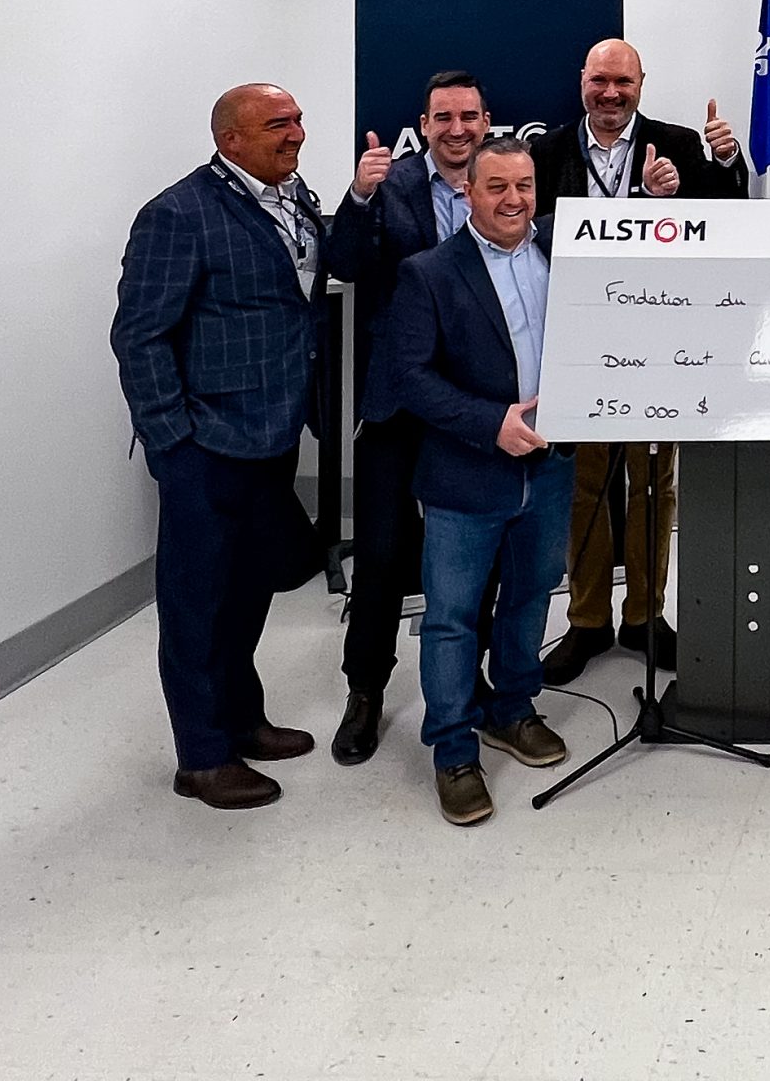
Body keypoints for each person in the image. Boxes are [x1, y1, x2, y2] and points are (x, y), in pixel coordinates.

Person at [110, 84, 326, 810]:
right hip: (205, 445)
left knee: (248, 591)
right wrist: (172, 440)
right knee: (196, 605)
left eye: (297, 119)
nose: (296, 133)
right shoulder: (177, 215)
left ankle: (240, 718)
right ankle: (201, 758)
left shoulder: (292, 197)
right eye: (278, 124)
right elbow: (139, 335)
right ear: (230, 140)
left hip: (271, 437)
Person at [533, 37, 747, 685]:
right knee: (587, 485)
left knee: (654, 481)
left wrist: (719, 165)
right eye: (600, 80)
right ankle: (587, 619)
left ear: (641, 84)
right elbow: (527, 229)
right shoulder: (546, 151)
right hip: (578, 341)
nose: (610, 93)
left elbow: (727, 219)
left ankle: (645, 615)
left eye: (622, 82)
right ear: (582, 81)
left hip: (660, 344)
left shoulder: (676, 144)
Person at [374, 137, 572, 826]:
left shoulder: (561, 254)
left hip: (550, 465)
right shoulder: (428, 272)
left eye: (525, 186)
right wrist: (491, 423)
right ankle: (454, 752)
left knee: (531, 596)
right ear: (468, 193)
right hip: (466, 472)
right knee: (452, 621)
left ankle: (512, 709)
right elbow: (409, 377)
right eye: (497, 187)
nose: (514, 200)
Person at [324, 70, 491, 765]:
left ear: (486, 122)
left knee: (477, 554)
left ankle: (471, 678)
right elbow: (343, 263)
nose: (457, 129)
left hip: (476, 403)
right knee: (384, 555)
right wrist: (359, 196)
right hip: (397, 401)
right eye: (443, 117)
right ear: (423, 126)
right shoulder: (386, 186)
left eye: (469, 117)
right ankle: (365, 690)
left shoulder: (503, 185)